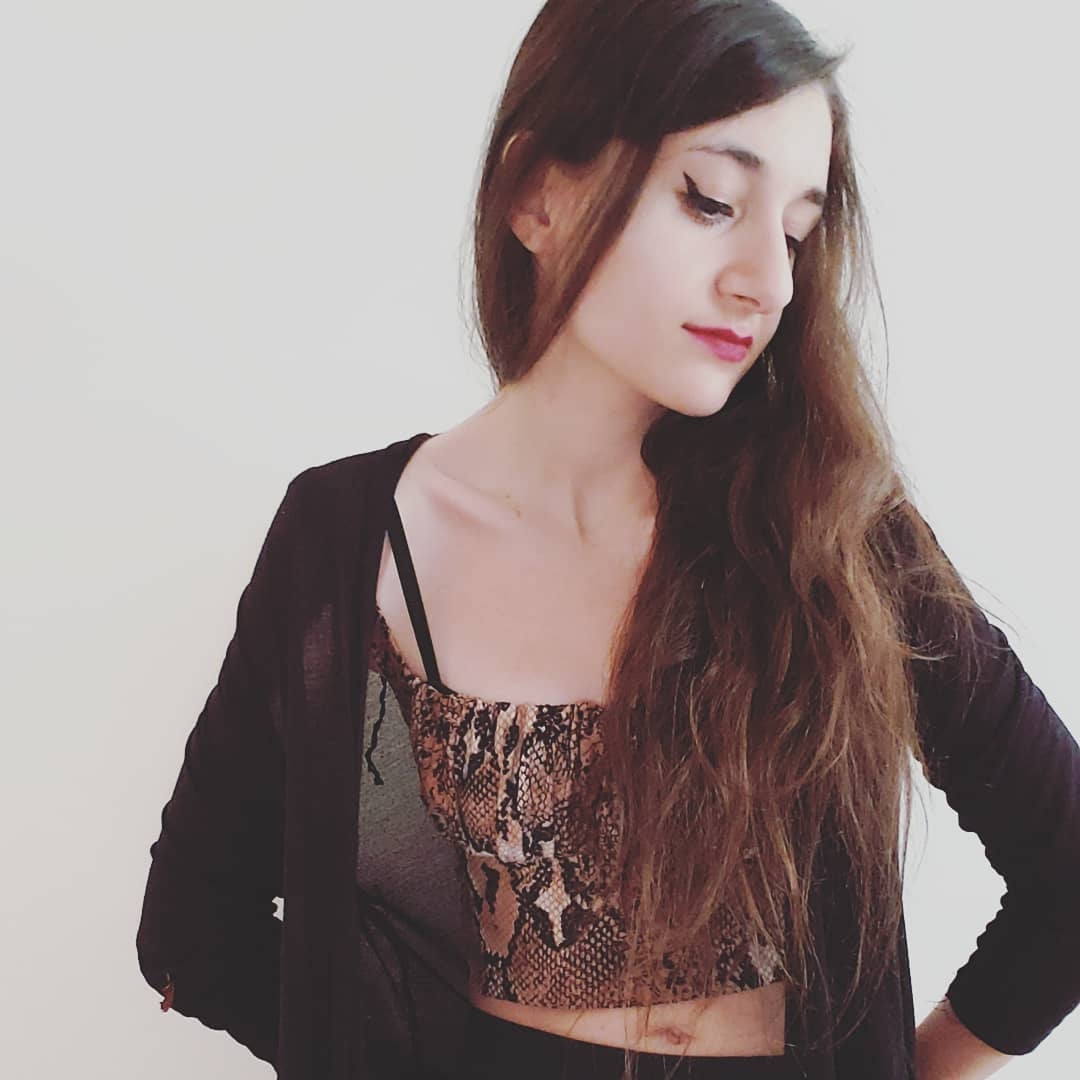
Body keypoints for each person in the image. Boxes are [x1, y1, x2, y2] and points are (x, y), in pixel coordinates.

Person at [135, 1, 1080, 1077]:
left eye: (795, 232)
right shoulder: (348, 540)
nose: (767, 280)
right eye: (711, 200)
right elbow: (190, 927)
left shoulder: (832, 530)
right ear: (536, 194)